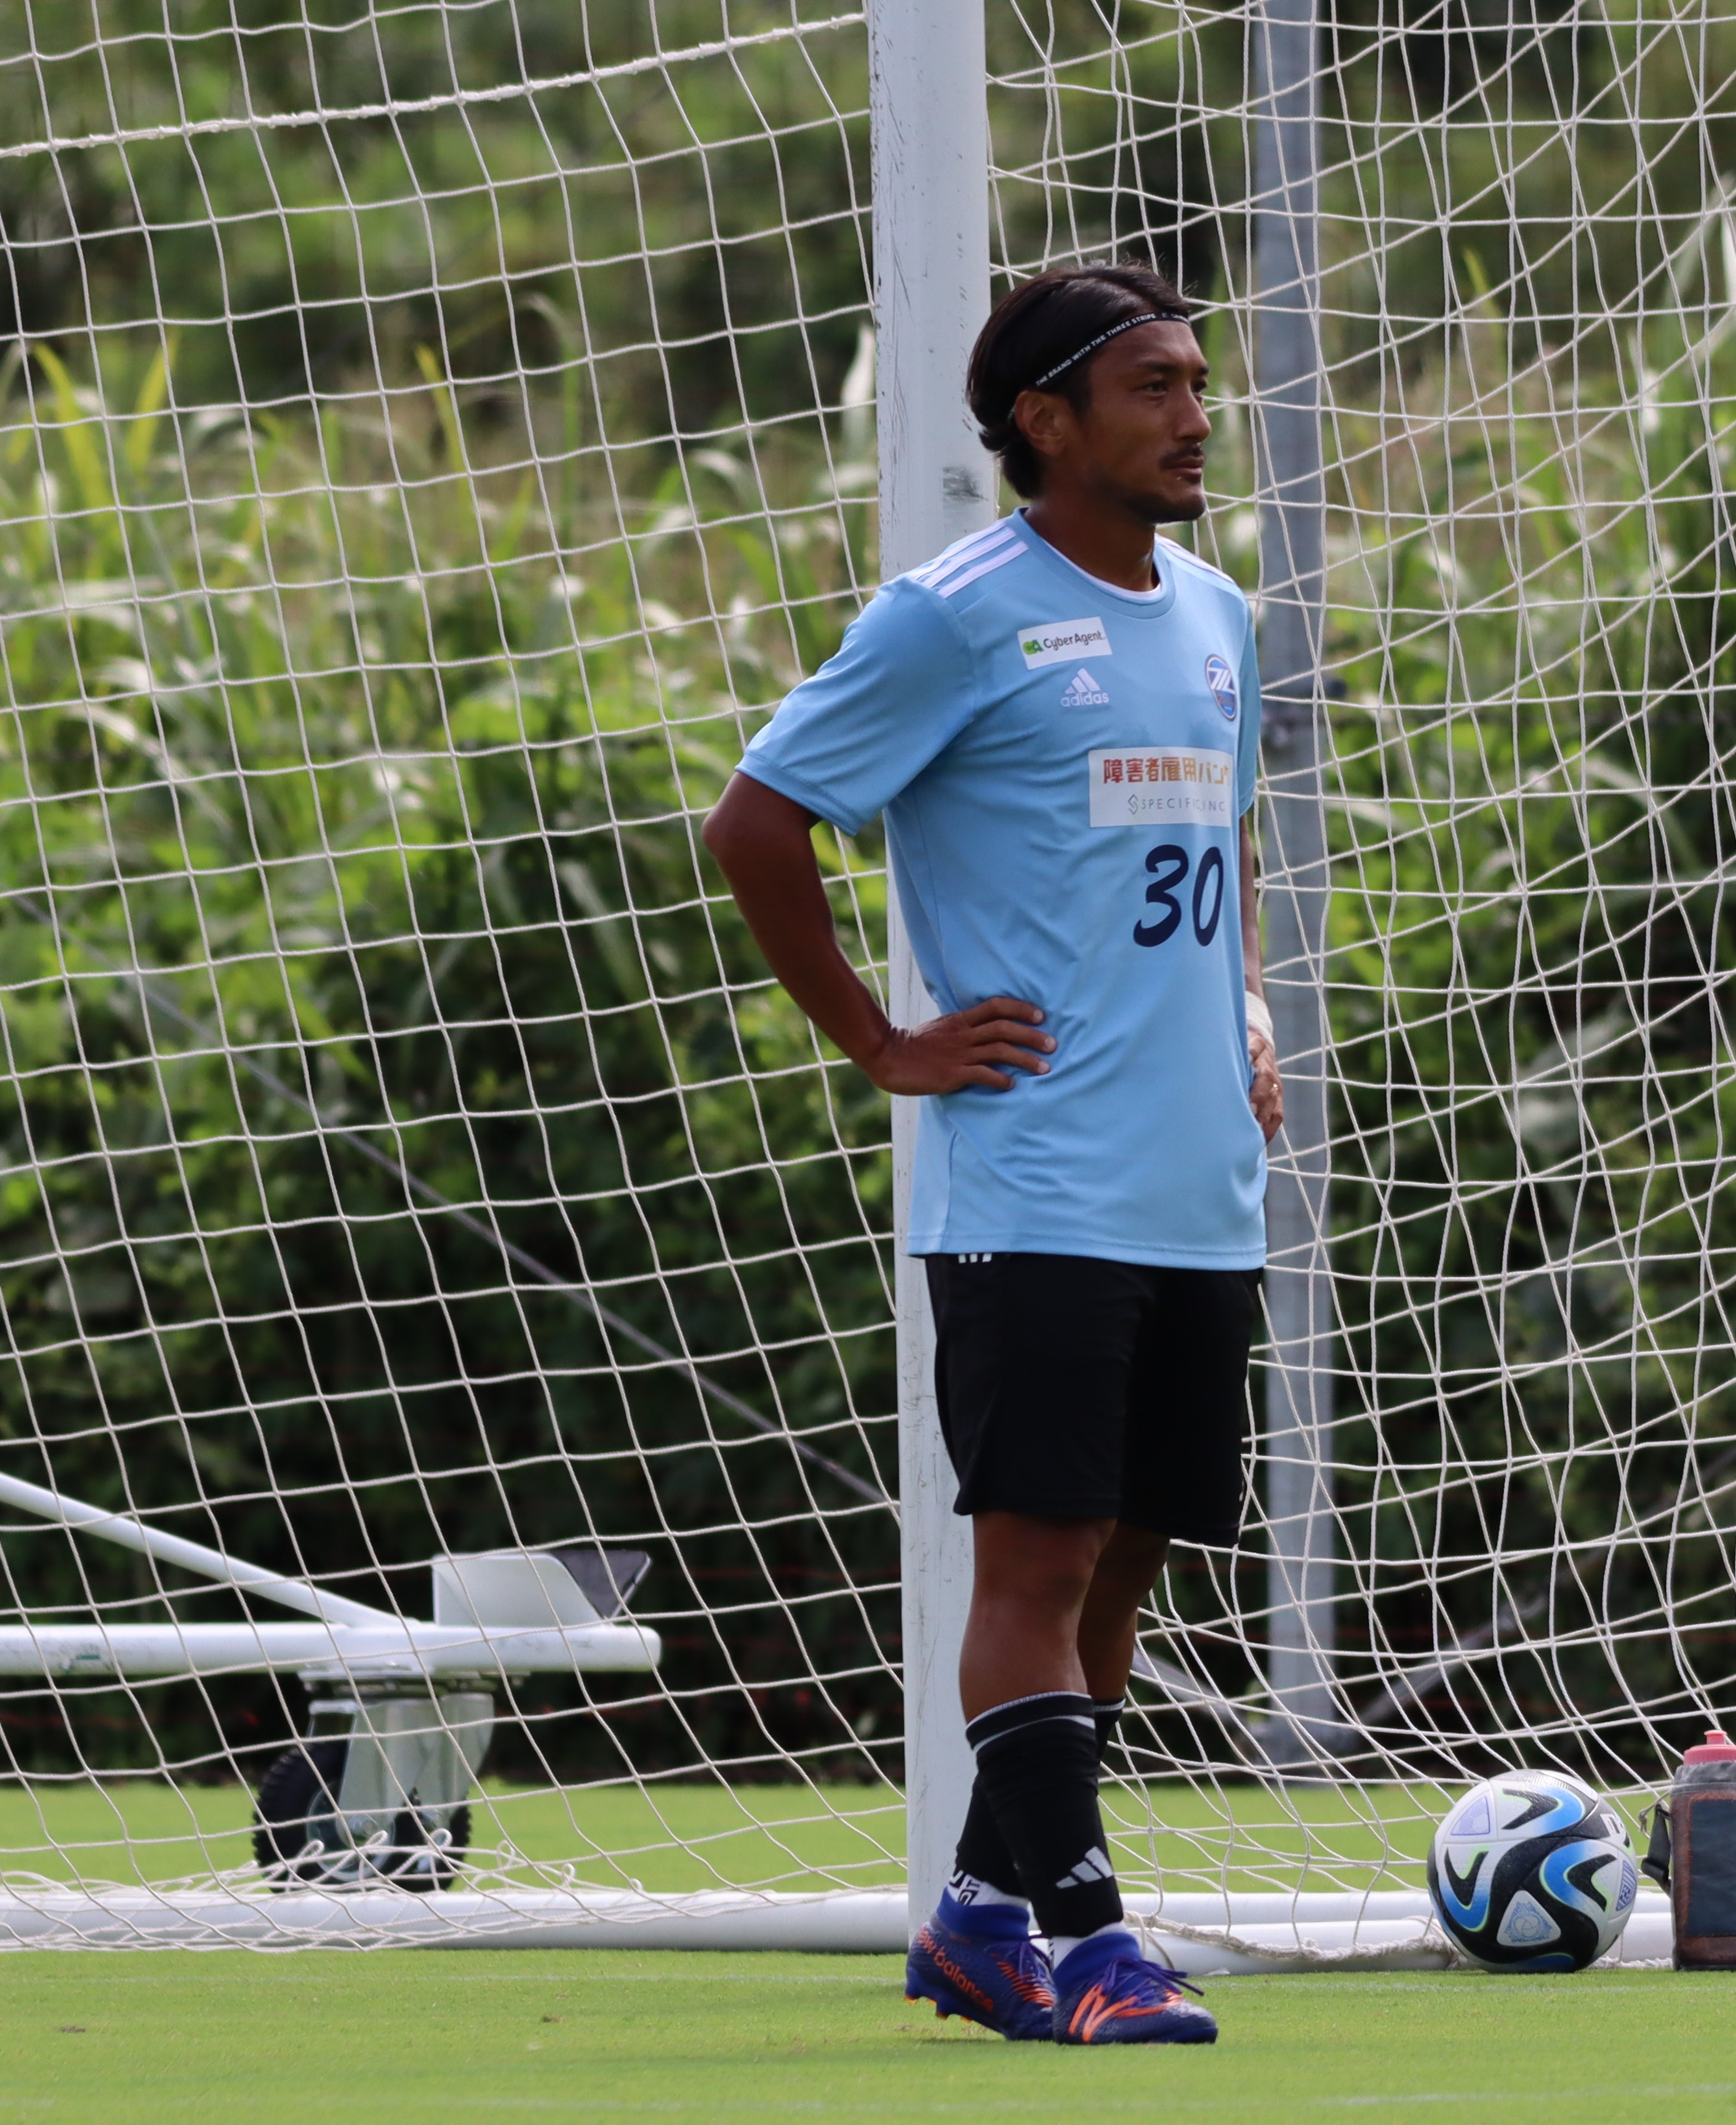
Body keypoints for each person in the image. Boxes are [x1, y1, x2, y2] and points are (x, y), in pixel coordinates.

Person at [701, 261, 1278, 2046]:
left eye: (1197, 382)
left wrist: (1250, 1012)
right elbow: (756, 823)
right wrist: (884, 1042)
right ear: (1046, 421)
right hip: (1034, 1186)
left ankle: (980, 1919)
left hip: (1199, 1185)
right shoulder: (950, 618)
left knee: (1123, 1564)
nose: (1195, 417)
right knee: (1035, 1565)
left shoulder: (1217, 612)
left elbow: (1223, 841)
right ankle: (1094, 1946)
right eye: (1154, 387)